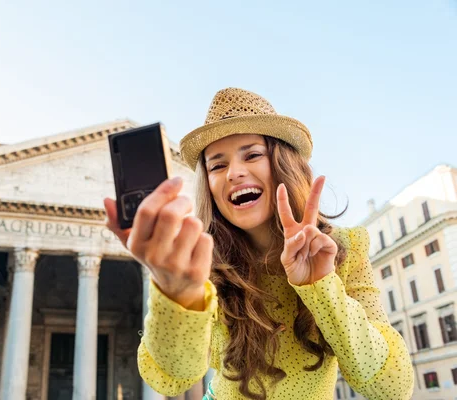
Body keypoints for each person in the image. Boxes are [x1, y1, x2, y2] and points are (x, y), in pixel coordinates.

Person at [104, 88, 414, 399]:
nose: (234, 173)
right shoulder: (205, 264)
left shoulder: (345, 248)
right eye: (217, 166)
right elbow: (171, 379)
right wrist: (178, 292)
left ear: (284, 165)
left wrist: (321, 286)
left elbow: (391, 389)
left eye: (252, 155)